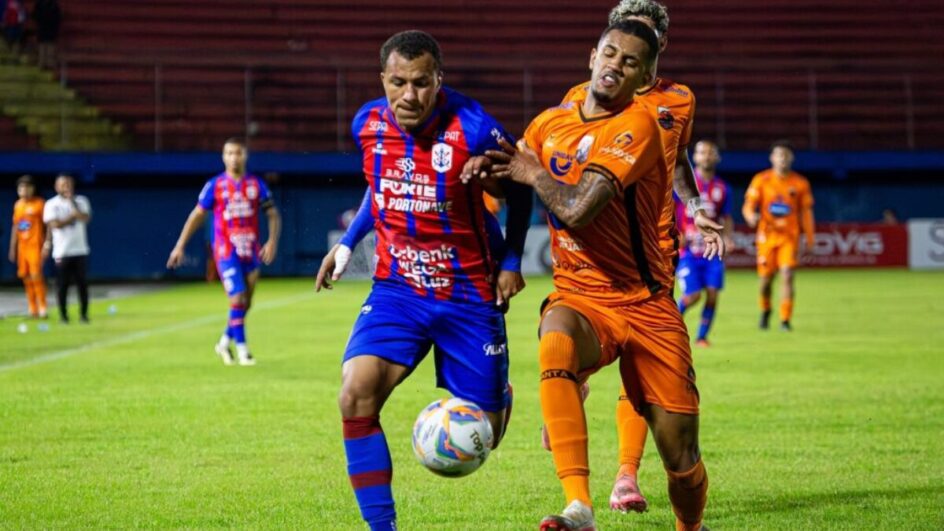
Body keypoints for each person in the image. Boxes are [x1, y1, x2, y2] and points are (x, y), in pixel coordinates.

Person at [484, 20, 711, 530]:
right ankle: (579, 507)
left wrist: (532, 172)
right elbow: (510, 178)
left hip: (645, 302)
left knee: (681, 459)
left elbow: (578, 209)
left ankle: (691, 526)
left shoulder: (639, 127)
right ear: (592, 56)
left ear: (645, 78)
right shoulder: (549, 122)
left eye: (631, 62)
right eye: (610, 53)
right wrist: (484, 171)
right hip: (581, 294)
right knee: (555, 338)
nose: (615, 66)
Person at [315, 30, 531, 530]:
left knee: (484, 435)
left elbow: (521, 188)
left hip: (468, 294)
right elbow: (380, 186)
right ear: (382, 80)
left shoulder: (475, 128)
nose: (409, 95)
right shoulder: (367, 124)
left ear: (439, 80)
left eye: (421, 82)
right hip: (399, 289)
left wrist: (512, 260)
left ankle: (498, 397)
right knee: (355, 394)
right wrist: (348, 243)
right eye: (398, 83)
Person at [547, 0, 723, 515]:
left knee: (642, 369)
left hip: (655, 252)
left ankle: (626, 473)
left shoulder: (678, 101)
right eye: (616, 40)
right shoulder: (578, 99)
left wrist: (695, 207)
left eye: (640, 40)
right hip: (595, 257)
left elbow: (677, 159)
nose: (624, 51)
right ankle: (570, 389)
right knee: (561, 340)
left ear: (657, 49)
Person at [167, 138, 281, 366]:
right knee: (237, 298)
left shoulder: (256, 184)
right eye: (229, 153)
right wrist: (180, 245)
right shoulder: (215, 185)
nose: (233, 158)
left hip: (250, 250)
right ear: (223, 157)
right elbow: (196, 216)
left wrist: (271, 242)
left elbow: (273, 214)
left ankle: (223, 342)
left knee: (246, 303)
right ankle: (243, 351)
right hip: (225, 251)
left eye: (237, 153)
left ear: (245, 155)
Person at [742, 140, 815, 331]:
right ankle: (765, 309)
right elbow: (749, 205)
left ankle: (785, 320)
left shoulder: (800, 183)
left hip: (789, 237)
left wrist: (810, 239)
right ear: (772, 158)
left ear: (792, 158)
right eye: (779, 155)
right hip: (767, 237)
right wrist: (750, 216)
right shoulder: (761, 180)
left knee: (787, 275)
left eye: (786, 155)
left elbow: (806, 213)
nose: (783, 159)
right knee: (765, 280)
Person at [676, 139, 733, 347]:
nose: (706, 156)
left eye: (710, 152)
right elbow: (670, 211)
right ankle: (670, 328)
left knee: (712, 294)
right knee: (692, 295)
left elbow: (726, 218)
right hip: (688, 251)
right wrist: (676, 235)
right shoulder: (683, 184)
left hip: (712, 250)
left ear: (717, 157)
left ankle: (701, 337)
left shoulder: (723, 188)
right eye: (702, 152)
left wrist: (727, 237)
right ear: (695, 156)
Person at [43, 174, 92, 323]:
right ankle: (63, 316)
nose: (66, 187)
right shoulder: (51, 204)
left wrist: (73, 205)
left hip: (80, 250)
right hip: (62, 251)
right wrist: (72, 216)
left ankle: (84, 315)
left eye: (69, 184)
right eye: (63, 184)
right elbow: (54, 224)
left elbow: (86, 218)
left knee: (82, 284)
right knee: (62, 285)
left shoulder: (81, 201)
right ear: (56, 187)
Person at [9, 175, 48, 318]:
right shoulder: (18, 205)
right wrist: (12, 247)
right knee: (25, 276)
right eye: (21, 188)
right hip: (22, 246)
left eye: (27, 187)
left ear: (32, 188)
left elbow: (47, 225)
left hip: (35, 245)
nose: (24, 190)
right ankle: (32, 308)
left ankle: (43, 307)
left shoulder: (40, 204)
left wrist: (47, 243)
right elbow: (16, 227)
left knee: (36, 275)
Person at [33, 0, 60, 69]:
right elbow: (35, 15)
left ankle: (50, 64)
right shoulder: (39, 4)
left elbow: (58, 18)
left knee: (50, 48)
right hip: (42, 29)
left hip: (51, 30)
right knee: (42, 48)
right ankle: (42, 63)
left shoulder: (54, 5)